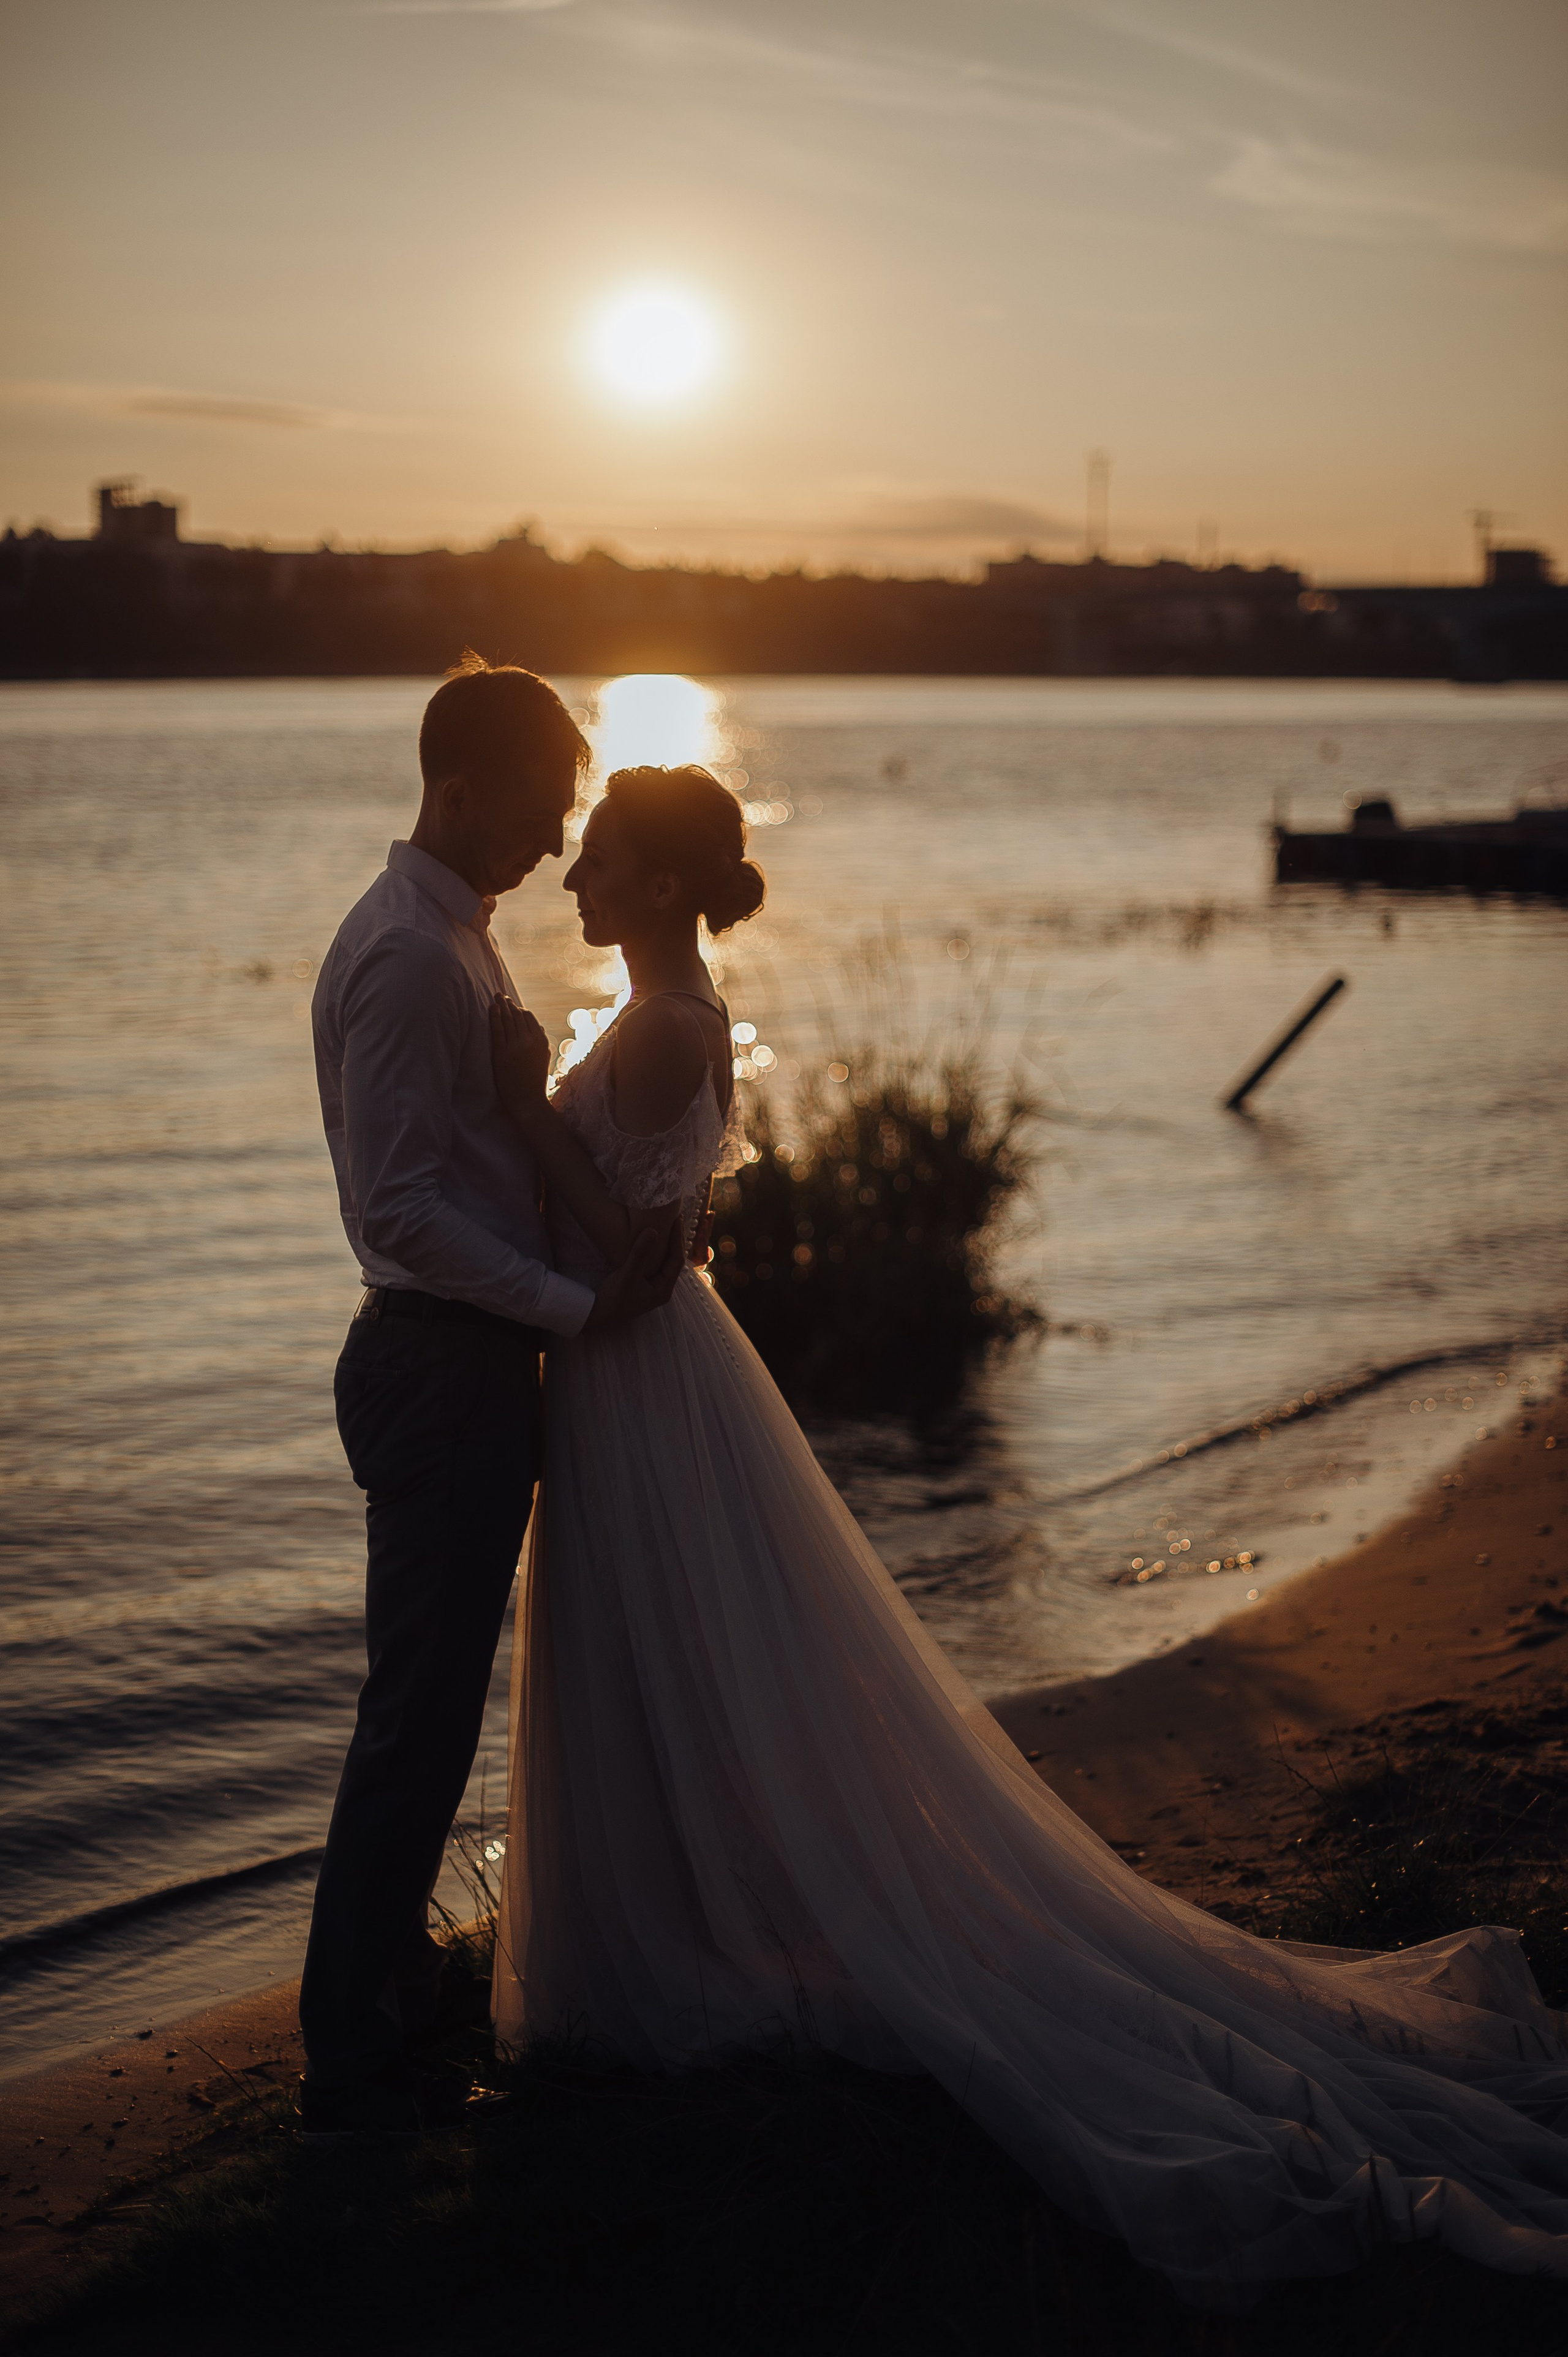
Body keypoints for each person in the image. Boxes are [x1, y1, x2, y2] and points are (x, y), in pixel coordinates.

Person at [488, 761, 1567, 2308]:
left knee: (667, 1646)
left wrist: (520, 1116)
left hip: (639, 1370)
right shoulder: (669, 1011)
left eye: (595, 860)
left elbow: (643, 1256)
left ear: (658, 882)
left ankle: (681, 1932)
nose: (572, 883)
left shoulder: (660, 1024)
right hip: (634, 1376)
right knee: (671, 1652)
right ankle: (692, 1901)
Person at [298, 655, 684, 2138]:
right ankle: (350, 2060)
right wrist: (577, 1307)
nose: (549, 840)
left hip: (468, 1359)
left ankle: (385, 1987)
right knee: (416, 1716)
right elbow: (401, 1213)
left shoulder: (459, 935)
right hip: (433, 1360)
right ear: (455, 784)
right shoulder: (404, 954)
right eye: (536, 809)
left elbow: (493, 1145)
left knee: (434, 1704)